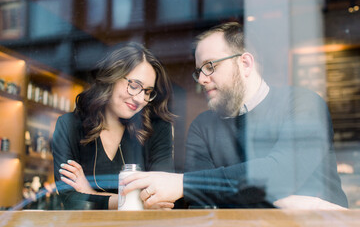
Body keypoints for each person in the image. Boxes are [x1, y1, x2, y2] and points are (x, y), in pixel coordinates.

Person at [121, 22, 348, 209]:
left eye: (210, 66)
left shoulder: (303, 103)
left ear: (245, 63)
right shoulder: (203, 125)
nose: (201, 79)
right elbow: (201, 205)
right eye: (199, 71)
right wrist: (279, 200)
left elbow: (282, 173)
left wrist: (185, 184)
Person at [52, 42, 175, 210]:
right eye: (134, 86)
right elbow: (70, 200)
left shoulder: (158, 129)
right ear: (112, 77)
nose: (139, 99)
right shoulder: (69, 126)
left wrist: (90, 193)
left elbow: (161, 201)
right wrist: (132, 201)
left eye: (147, 92)